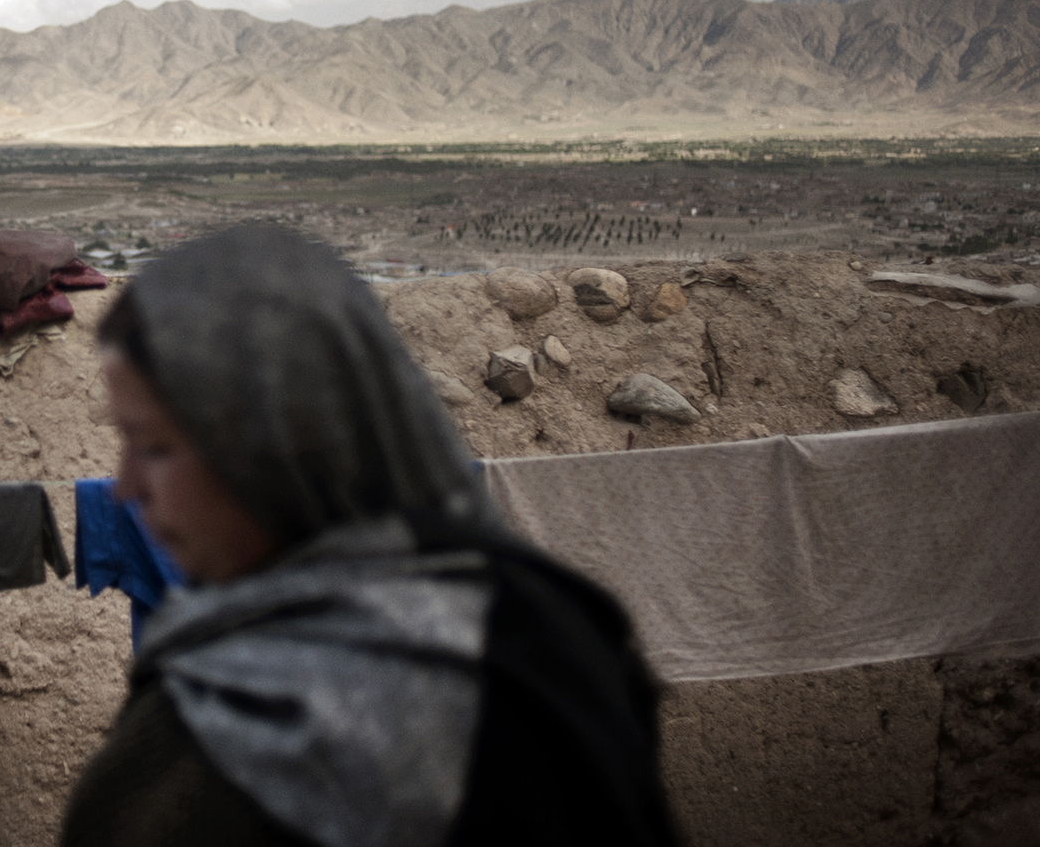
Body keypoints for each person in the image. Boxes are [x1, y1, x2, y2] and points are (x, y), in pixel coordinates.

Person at [60, 224, 679, 847]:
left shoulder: (213, 736)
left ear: (272, 446)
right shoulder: (568, 635)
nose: (124, 488)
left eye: (154, 446)